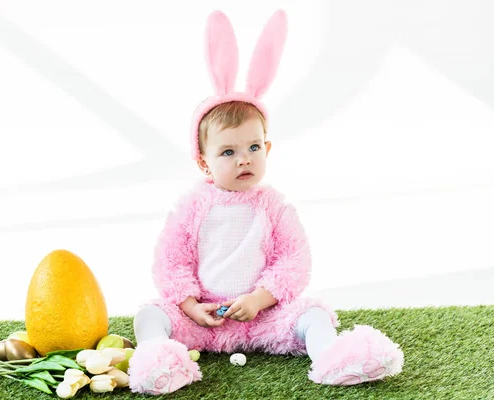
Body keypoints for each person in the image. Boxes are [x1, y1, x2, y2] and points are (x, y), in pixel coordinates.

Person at [128, 10, 404, 395]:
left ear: (267, 148)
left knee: (314, 313)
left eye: (253, 147)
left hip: (262, 317)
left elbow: (293, 261)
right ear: (202, 161)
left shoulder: (274, 207)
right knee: (150, 314)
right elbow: (171, 262)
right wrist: (191, 307)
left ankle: (332, 358)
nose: (244, 159)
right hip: (204, 317)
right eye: (228, 151)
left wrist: (260, 299)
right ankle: (160, 363)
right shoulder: (192, 207)